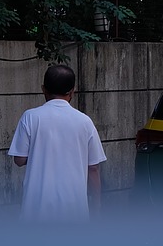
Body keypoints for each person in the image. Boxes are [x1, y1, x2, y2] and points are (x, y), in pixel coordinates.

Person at [9, 64, 107, 222]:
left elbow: (19, 160)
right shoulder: (85, 122)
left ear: (43, 89)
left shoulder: (30, 117)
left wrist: (41, 153)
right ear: (72, 91)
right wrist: (96, 207)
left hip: (35, 212)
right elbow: (93, 168)